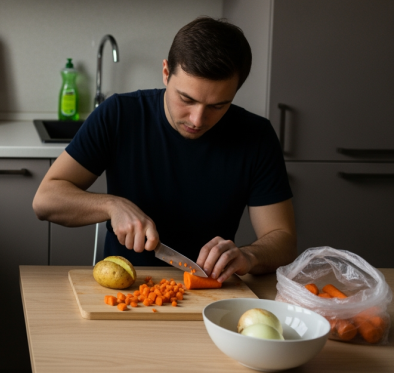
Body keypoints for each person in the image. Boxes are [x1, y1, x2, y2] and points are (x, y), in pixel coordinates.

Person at [32, 17, 297, 283]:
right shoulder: (119, 114)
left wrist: (249, 256)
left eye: (218, 105)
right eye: (186, 99)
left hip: (213, 293)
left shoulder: (256, 135)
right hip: (129, 288)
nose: (197, 119)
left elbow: (283, 240)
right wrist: (112, 205)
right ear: (165, 72)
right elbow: (45, 201)